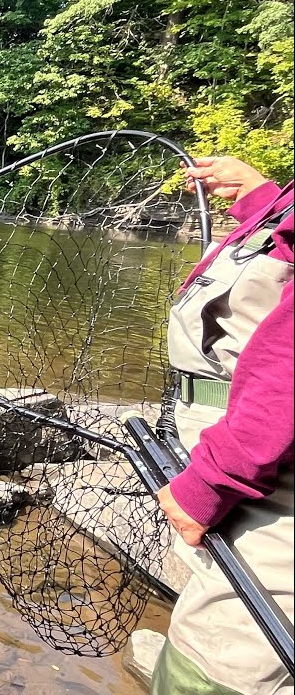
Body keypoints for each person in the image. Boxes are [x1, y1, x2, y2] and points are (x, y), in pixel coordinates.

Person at [154, 155, 294, 695]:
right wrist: (265, 200)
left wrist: (212, 481)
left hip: (267, 487)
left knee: (221, 664)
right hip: (254, 467)